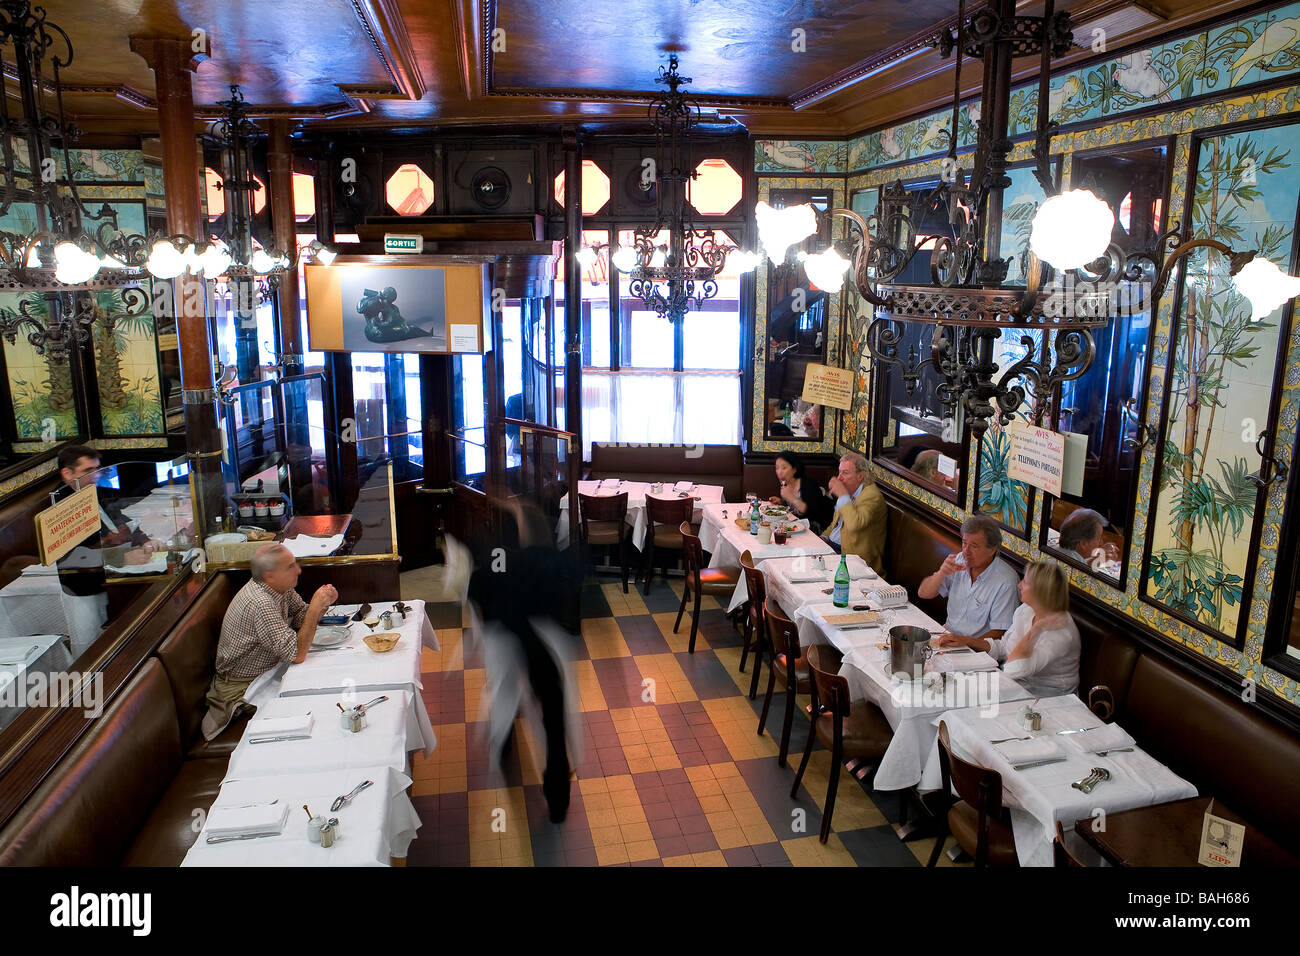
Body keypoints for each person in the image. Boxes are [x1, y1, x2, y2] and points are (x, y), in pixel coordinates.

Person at [462, 498, 581, 823]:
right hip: (544, 642)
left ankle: (503, 746)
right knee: (553, 716)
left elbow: (475, 592)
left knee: (502, 690)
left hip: (505, 636)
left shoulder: (496, 563)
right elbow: (568, 596)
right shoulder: (552, 560)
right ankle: (557, 797)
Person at [200, 543, 337, 740]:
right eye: (290, 566)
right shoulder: (260, 603)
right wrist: (315, 607)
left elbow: (301, 616)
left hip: (271, 669)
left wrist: (322, 604)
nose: (298, 570)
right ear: (269, 575)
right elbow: (297, 654)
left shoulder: (281, 588)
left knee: (325, 678)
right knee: (313, 705)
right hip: (243, 687)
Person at [940, 560, 1079, 698]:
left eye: (1025, 582)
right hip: (1016, 683)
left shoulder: (1061, 634)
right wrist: (967, 641)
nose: (1019, 585)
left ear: (1039, 590)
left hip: (1049, 697)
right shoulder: (1026, 610)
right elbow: (1004, 648)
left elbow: (1013, 670)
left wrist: (1036, 629)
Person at [918, 514, 1020, 646]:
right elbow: (923, 593)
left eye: (974, 546)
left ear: (992, 550)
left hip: (975, 651)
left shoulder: (1006, 582)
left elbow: (999, 633)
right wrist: (942, 573)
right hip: (946, 637)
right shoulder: (960, 560)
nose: (966, 551)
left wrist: (966, 643)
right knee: (909, 659)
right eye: (964, 543)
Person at [823, 452, 886, 569]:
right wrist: (822, 539)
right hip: (833, 549)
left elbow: (854, 525)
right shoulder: (849, 492)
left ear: (860, 476)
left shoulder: (872, 496)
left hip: (853, 562)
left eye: (845, 473)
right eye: (839, 472)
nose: (839, 477)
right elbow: (835, 526)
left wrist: (842, 495)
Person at [767, 451, 832, 533]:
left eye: (784, 468)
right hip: (797, 526)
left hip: (816, 528)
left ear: (794, 469)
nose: (779, 472)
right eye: (777, 468)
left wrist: (790, 497)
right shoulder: (786, 484)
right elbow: (793, 508)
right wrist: (781, 502)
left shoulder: (808, 485)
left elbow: (810, 512)